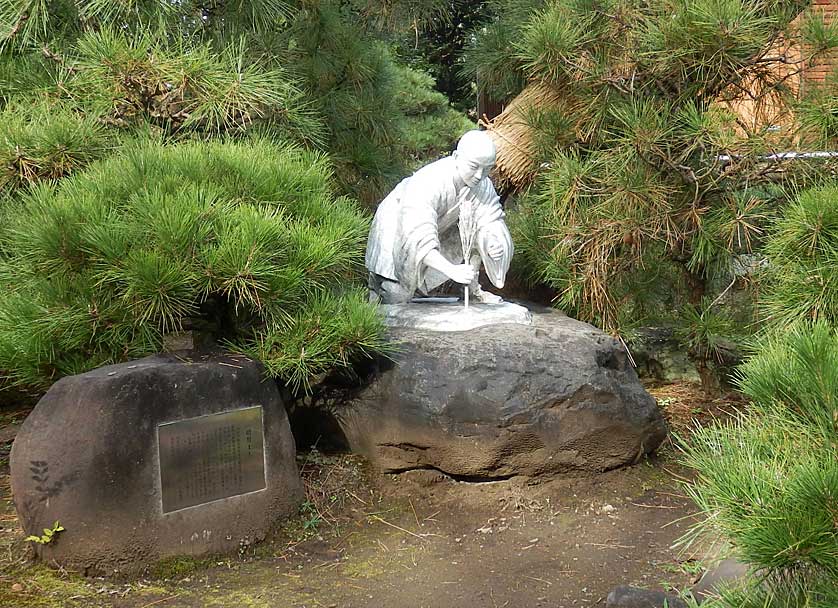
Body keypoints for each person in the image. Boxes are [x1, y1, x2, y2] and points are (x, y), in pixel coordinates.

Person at [365, 130, 513, 304]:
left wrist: (492, 243)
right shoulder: (428, 182)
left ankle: (472, 290)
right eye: (474, 167)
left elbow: (490, 220)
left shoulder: (482, 185)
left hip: (439, 227)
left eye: (487, 169)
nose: (480, 175)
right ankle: (380, 291)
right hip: (397, 229)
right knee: (396, 297)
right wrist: (452, 270)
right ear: (457, 157)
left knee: (476, 231)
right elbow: (417, 236)